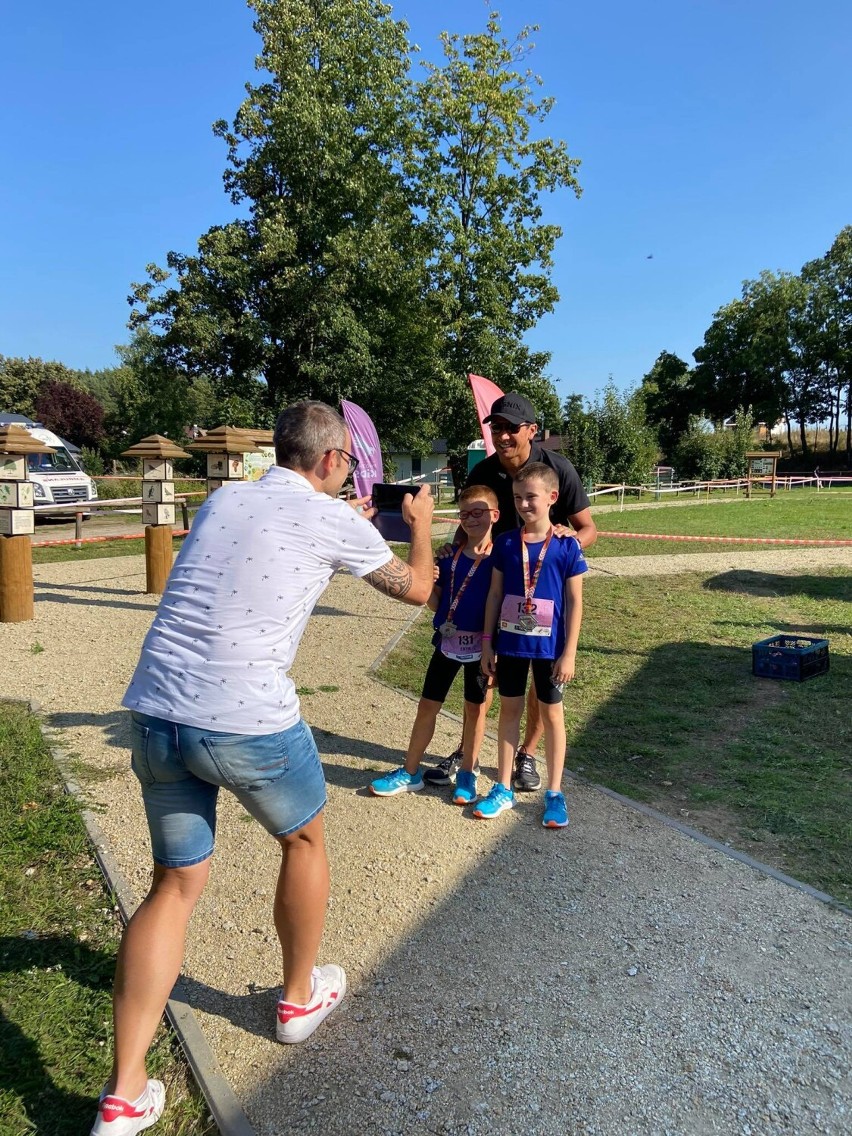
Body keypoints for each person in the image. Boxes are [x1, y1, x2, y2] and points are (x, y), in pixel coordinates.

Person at [90, 401, 435, 1136]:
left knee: (174, 886)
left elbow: (280, 540)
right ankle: (297, 999)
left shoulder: (225, 497)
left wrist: (350, 518)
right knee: (303, 840)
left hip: (156, 709)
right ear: (335, 461)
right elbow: (416, 587)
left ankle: (123, 1095)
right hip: (248, 719)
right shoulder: (338, 519)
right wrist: (423, 526)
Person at [423, 390, 596, 792]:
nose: (501, 435)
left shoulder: (557, 469)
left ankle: (527, 754)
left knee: (539, 677)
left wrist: (563, 546)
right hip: (494, 586)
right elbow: (468, 522)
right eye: (495, 427)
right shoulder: (482, 472)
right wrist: (454, 547)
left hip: (543, 592)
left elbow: (587, 528)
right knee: (484, 671)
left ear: (531, 431)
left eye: (510, 428)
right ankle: (469, 753)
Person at [368, 485, 499, 805]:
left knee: (475, 711)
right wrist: (428, 584)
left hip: (481, 651)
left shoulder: (501, 560)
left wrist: (491, 648)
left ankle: (468, 773)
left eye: (478, 513)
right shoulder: (449, 557)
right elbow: (435, 602)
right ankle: (410, 772)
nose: (470, 519)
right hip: (447, 644)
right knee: (427, 707)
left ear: (495, 515)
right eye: (464, 514)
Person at [475, 463, 586, 827]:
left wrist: (568, 652)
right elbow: (494, 594)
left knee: (553, 716)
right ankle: (503, 787)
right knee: (509, 712)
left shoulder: (567, 545)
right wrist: (488, 642)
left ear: (552, 498)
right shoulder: (506, 542)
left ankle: (555, 793)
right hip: (509, 645)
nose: (523, 504)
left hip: (550, 650)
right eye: (518, 497)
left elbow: (576, 602)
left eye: (531, 497)